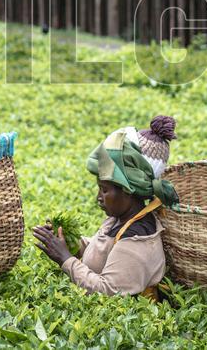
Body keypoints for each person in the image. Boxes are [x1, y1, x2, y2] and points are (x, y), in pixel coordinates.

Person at [32, 116, 180, 299]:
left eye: (104, 190)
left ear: (128, 190)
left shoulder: (138, 238)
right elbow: (100, 251)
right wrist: (68, 242)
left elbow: (108, 291)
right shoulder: (119, 219)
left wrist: (65, 258)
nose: (98, 197)